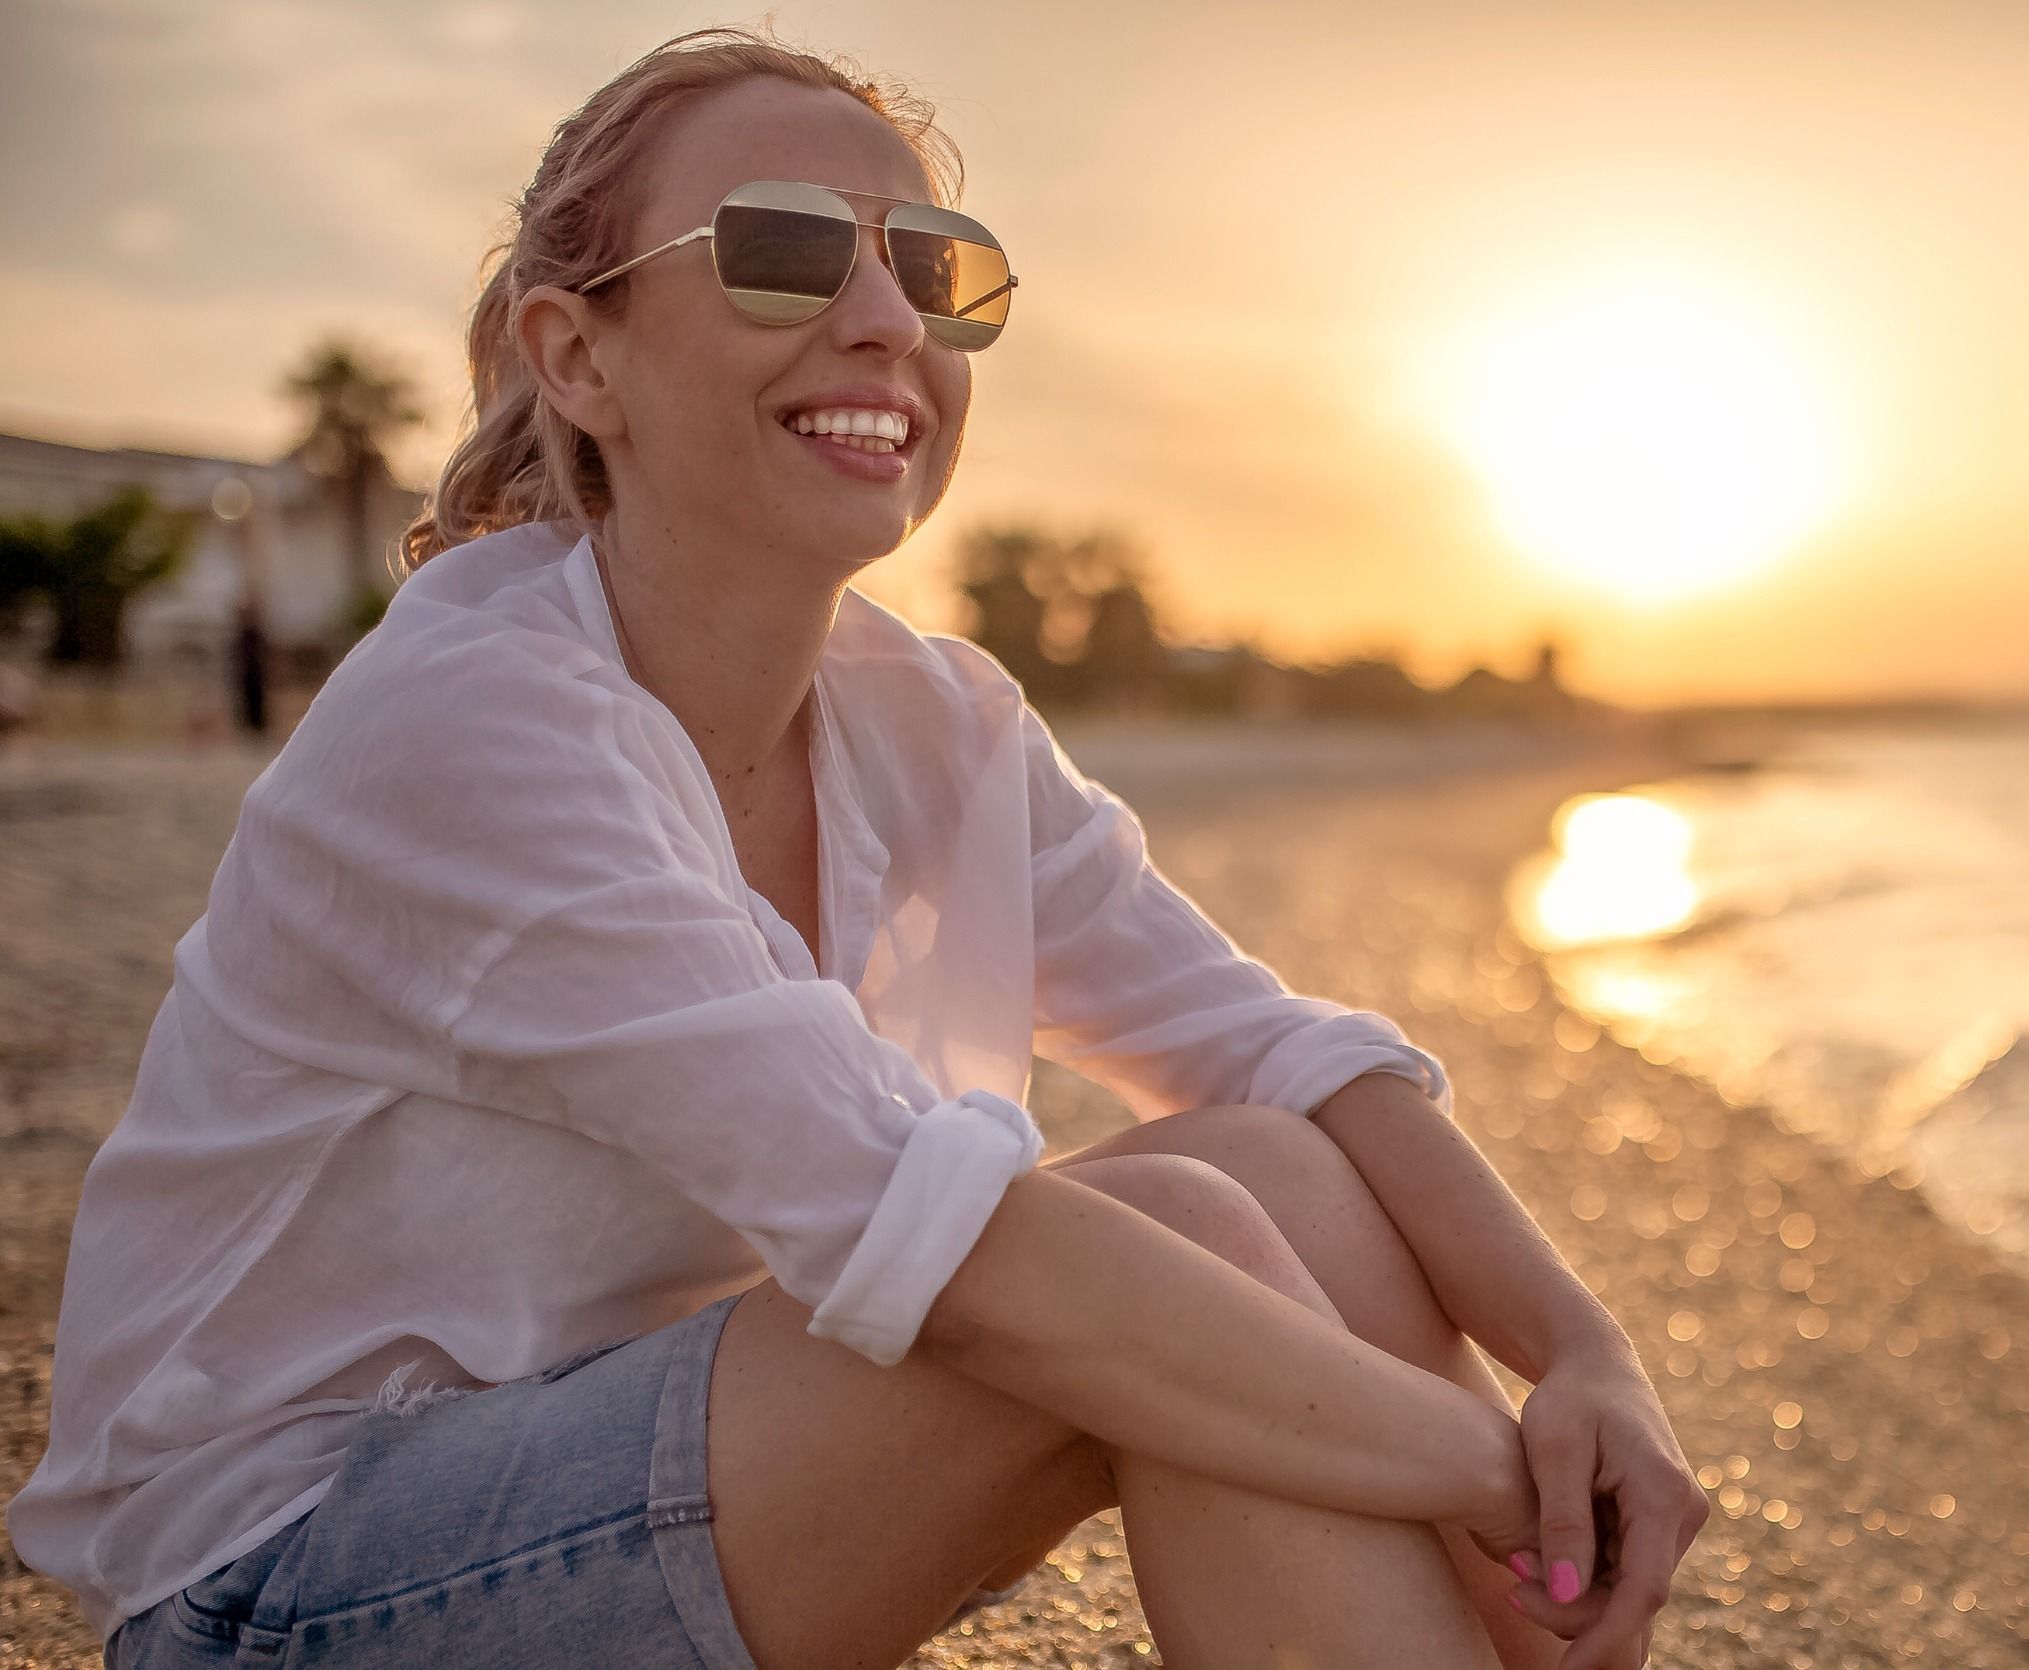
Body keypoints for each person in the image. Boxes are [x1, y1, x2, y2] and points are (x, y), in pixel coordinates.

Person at [6, 26, 1704, 1669]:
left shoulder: (930, 714)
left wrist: (1584, 1358)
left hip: (651, 1454)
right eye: (784, 251)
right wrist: (1498, 1467)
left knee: (1265, 1169)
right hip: (286, 1579)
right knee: (1158, 1253)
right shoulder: (479, 719)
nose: (887, 320)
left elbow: (1280, 1053)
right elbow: (955, 1264)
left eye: (936, 268)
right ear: (577, 357)